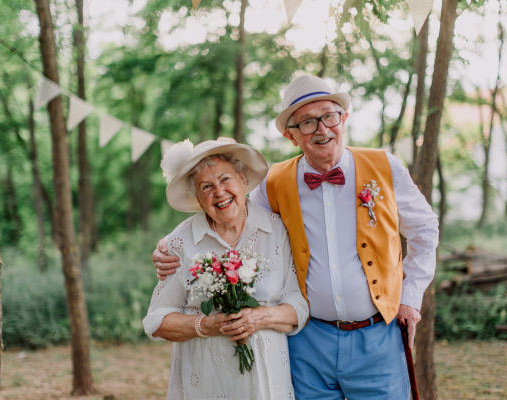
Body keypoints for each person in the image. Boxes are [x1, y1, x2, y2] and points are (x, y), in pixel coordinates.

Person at [153, 75, 439, 399]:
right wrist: (169, 247)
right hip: (307, 341)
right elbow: (228, 212)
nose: (322, 129)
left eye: (329, 115)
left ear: (343, 118)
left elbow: (425, 229)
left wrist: (411, 298)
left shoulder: (385, 166)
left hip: (378, 335)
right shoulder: (274, 182)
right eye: (307, 122)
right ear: (292, 136)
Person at [143, 137, 308, 400]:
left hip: (268, 382)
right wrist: (207, 325)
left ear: (243, 181)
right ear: (197, 198)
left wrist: (259, 318)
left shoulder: (277, 229)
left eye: (225, 179)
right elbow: (157, 321)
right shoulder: (179, 243)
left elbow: (298, 304)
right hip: (208, 383)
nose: (219, 192)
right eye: (206, 186)